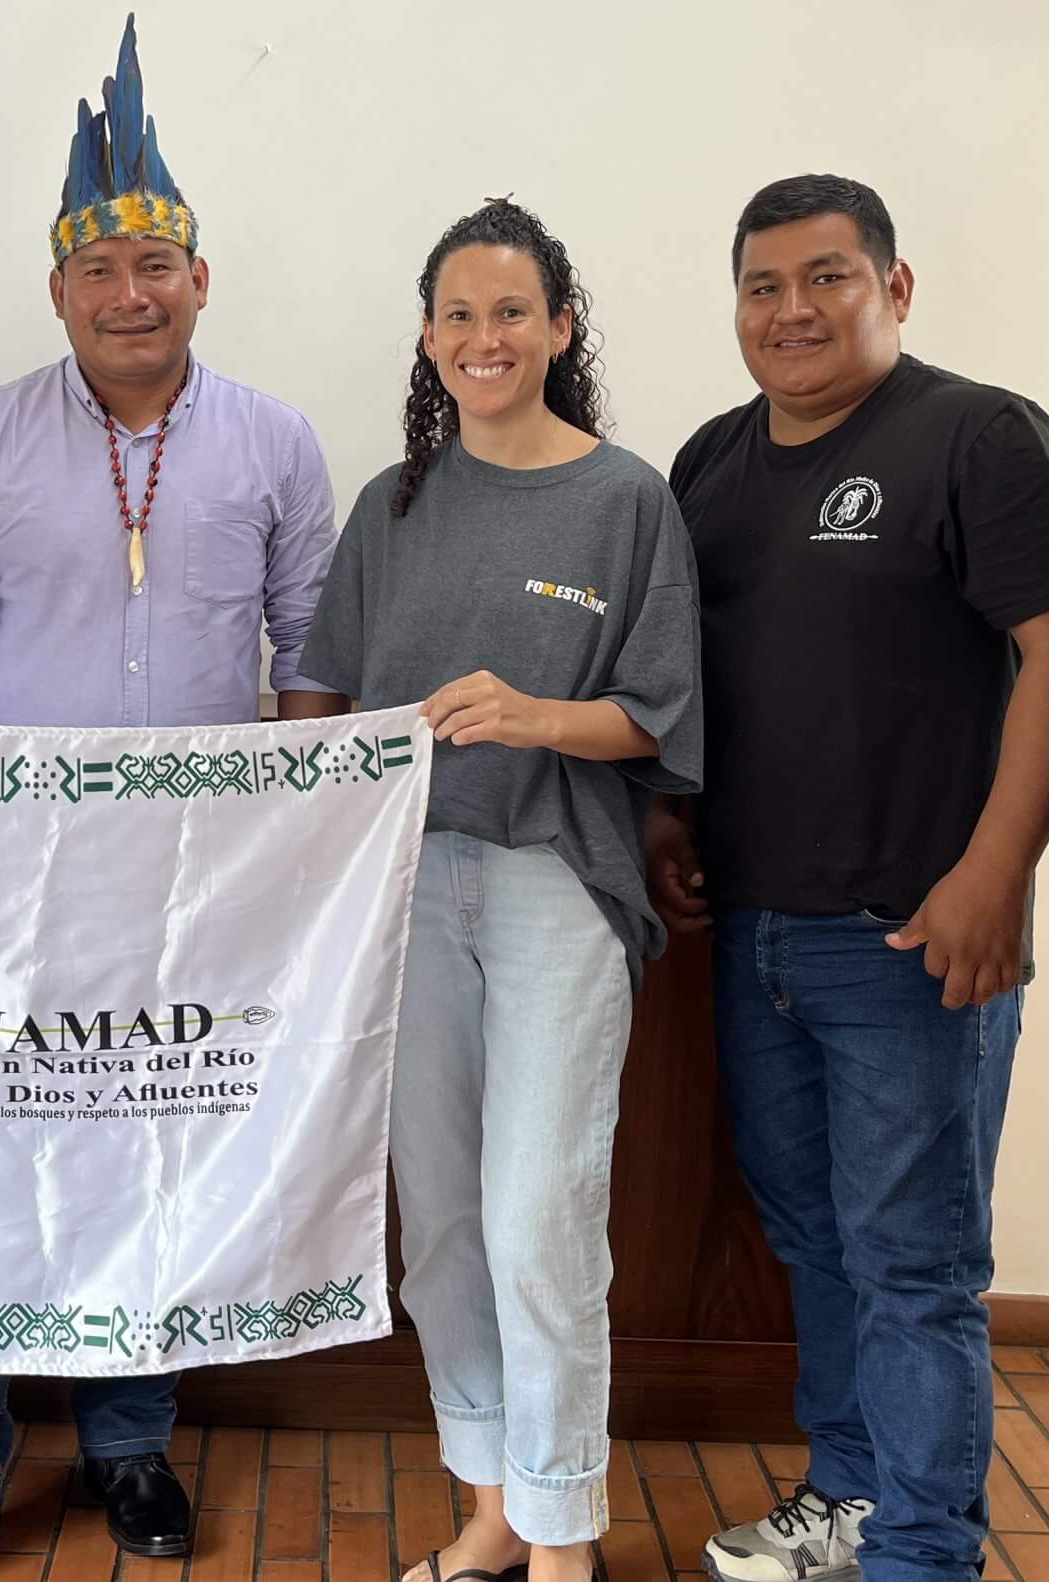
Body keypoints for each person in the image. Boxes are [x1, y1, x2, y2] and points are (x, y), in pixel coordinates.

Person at [0, 19, 341, 1582]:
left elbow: (311, 649)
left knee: (150, 1142)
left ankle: (133, 1446)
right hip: (1, 868)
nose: (131, 293)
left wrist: (288, 838)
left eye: (156, 264)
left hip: (194, 875)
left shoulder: (276, 440)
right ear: (56, 291)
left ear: (201, 278)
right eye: (99, 270)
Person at [655, 176, 1049, 1582]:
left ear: (895, 289)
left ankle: (923, 1550)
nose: (792, 311)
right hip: (753, 928)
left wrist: (997, 870)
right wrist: (671, 829)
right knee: (815, 1241)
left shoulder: (979, 435)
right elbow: (680, 685)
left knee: (916, 1260)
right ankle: (848, 1499)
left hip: (911, 936)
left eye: (826, 278)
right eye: (764, 286)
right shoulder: (709, 463)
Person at [300, 197, 702, 1582]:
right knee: (447, 1220)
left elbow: (658, 716)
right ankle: (487, 1511)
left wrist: (534, 715)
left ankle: (563, 1536)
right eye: (460, 314)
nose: (486, 336)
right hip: (404, 894)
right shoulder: (393, 503)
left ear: (561, 327)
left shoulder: (625, 498)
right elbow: (328, 695)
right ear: (429, 336)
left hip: (556, 891)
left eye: (513, 311)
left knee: (540, 1215)